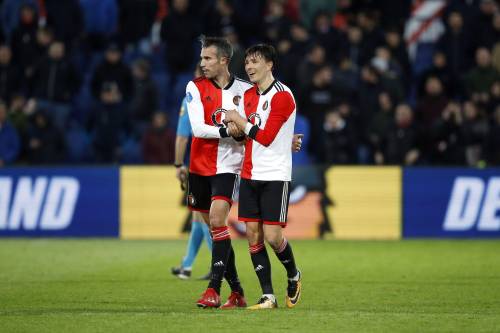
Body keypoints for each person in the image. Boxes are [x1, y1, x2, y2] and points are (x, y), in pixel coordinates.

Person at [224, 44, 302, 309]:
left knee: (273, 237)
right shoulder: (247, 96)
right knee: (253, 234)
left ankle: (293, 274)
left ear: (270, 65)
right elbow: (248, 135)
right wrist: (235, 128)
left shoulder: (283, 96)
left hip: (276, 174)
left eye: (255, 61)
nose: (249, 66)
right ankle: (268, 295)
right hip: (249, 172)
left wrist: (240, 120)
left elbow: (266, 137)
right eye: (247, 62)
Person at [185, 36, 252, 309]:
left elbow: (252, 128)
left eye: (208, 58)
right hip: (199, 165)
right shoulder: (195, 87)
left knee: (216, 219)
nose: (203, 64)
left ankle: (213, 289)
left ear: (224, 60)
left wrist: (243, 132)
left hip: (229, 166)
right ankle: (237, 292)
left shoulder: (247, 91)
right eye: (202, 58)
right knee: (216, 229)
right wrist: (228, 130)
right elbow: (198, 129)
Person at [171, 65, 213, 280]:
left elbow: (181, 136)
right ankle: (187, 266)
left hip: (200, 164)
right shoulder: (224, 96)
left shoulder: (191, 98)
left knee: (204, 216)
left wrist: (179, 164)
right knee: (199, 216)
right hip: (223, 164)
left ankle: (221, 266)